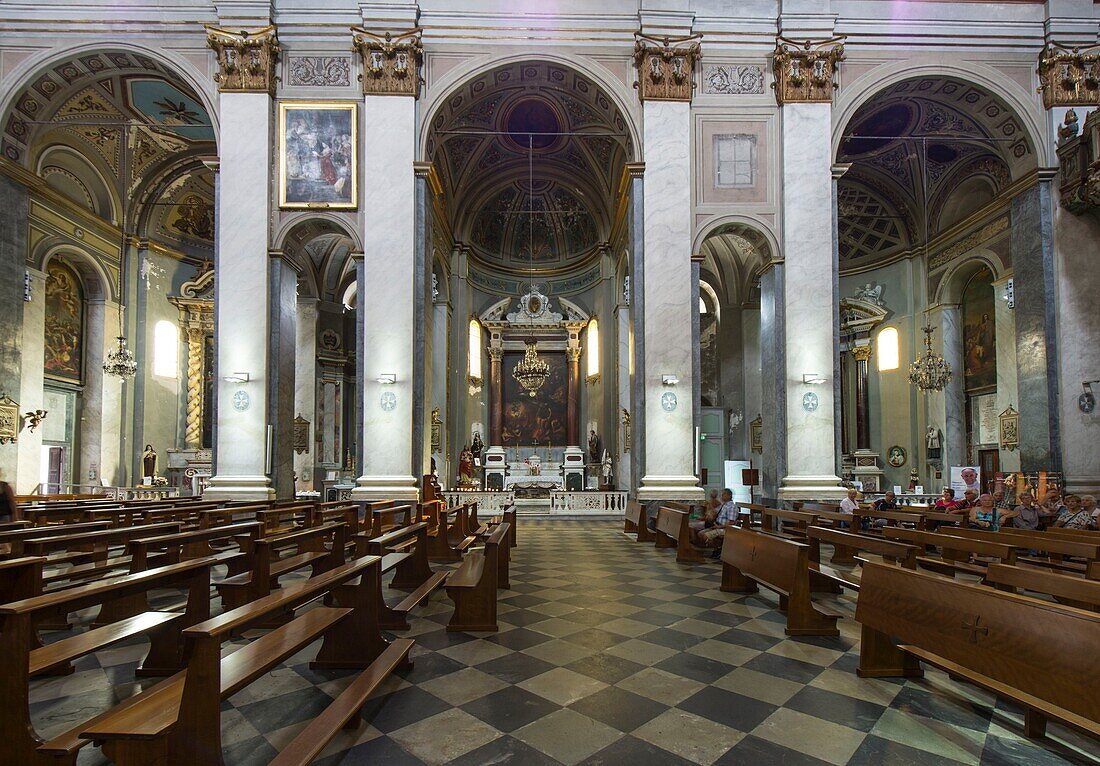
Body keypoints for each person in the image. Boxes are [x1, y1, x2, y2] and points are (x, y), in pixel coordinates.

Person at [699, 489, 738, 558]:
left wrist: (719, 527)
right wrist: (709, 507)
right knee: (700, 534)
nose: (721, 496)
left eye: (723, 495)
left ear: (729, 496)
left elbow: (732, 523)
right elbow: (714, 511)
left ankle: (720, 549)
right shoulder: (724, 505)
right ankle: (718, 549)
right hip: (717, 525)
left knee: (705, 536)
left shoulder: (732, 507)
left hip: (725, 529)